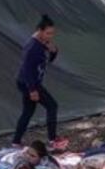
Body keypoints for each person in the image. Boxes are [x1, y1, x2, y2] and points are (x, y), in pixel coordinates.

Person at [12, 15, 67, 151]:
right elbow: (27, 70)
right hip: (28, 83)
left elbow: (48, 60)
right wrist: (32, 90)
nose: (50, 36)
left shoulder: (43, 43)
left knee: (28, 111)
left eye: (52, 33)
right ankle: (52, 140)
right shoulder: (32, 47)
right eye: (48, 33)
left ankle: (16, 142)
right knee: (52, 106)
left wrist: (54, 51)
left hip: (29, 82)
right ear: (40, 31)